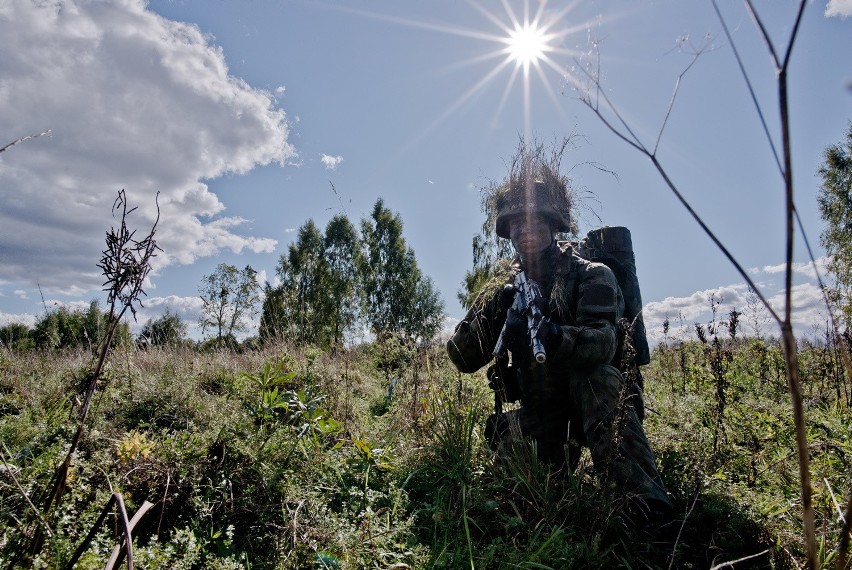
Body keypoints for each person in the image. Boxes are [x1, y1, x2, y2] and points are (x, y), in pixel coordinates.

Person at [446, 175, 673, 529]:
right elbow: (461, 357)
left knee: (598, 378)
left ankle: (646, 507)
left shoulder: (591, 275)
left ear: (554, 224)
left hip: (595, 408)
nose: (524, 229)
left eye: (534, 220)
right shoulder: (506, 284)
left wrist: (552, 337)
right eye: (516, 223)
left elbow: (603, 342)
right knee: (514, 490)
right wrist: (493, 311)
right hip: (543, 412)